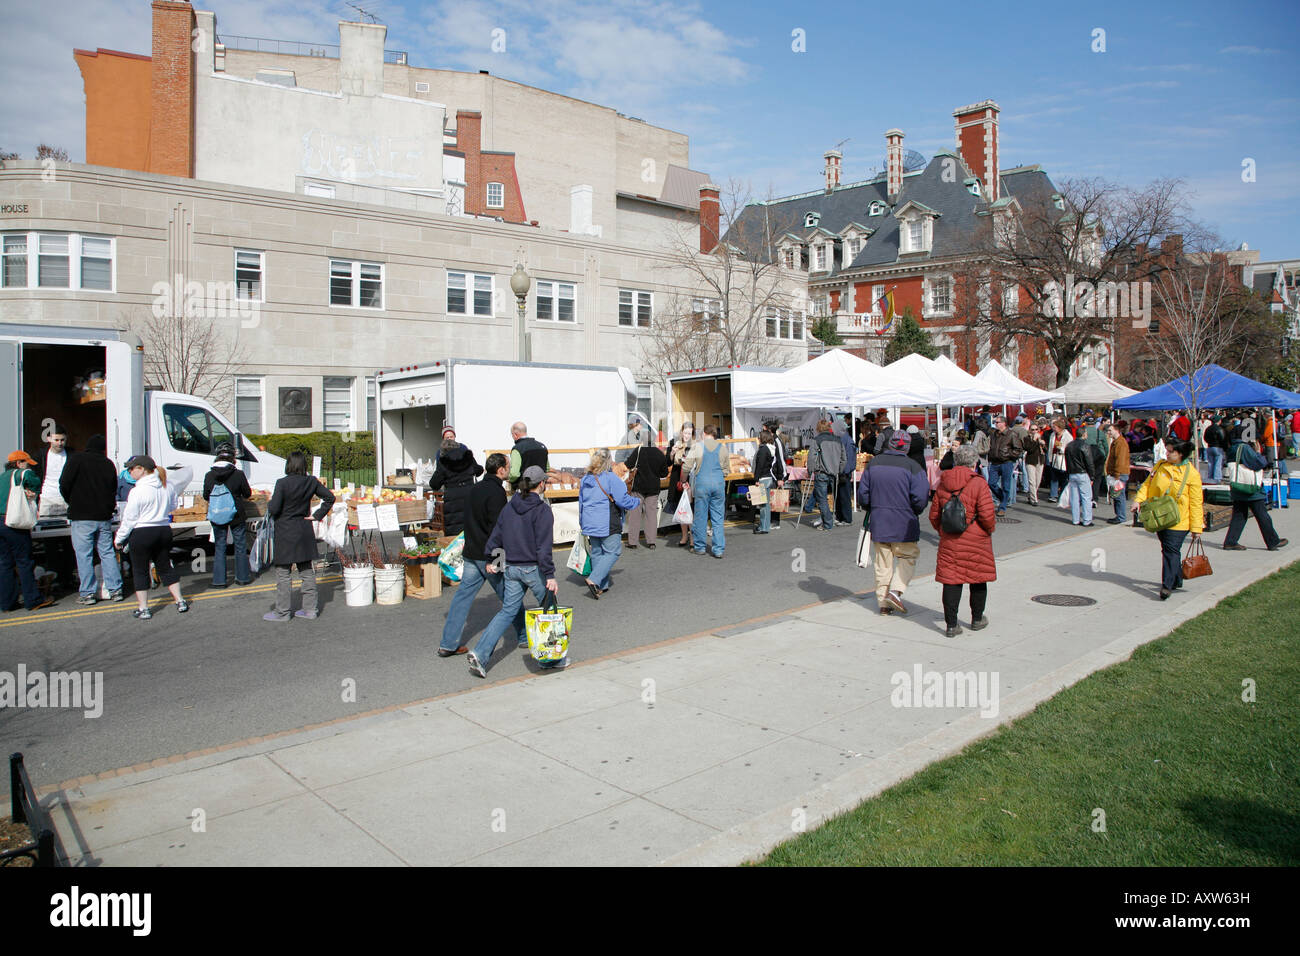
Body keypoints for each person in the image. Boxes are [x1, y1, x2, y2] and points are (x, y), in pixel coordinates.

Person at [467, 466, 560, 678]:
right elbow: (543, 547)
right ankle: (550, 657)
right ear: (541, 484)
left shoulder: (510, 507)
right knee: (550, 609)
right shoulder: (542, 510)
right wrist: (550, 575)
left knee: (507, 611)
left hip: (510, 568)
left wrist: (491, 558)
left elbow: (497, 534)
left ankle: (480, 653)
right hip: (532, 568)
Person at [438, 453, 511, 657]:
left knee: (462, 597)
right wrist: (495, 559)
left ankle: (448, 643)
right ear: (501, 470)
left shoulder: (475, 488)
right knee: (510, 597)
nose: (510, 469)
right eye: (508, 466)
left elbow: (469, 520)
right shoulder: (497, 493)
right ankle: (525, 635)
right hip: (488, 554)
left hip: (471, 551)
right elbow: (498, 529)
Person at [858, 430, 930, 615]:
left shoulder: (874, 463)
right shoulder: (913, 467)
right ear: (906, 447)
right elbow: (921, 498)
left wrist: (873, 508)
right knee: (907, 557)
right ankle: (895, 591)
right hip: (904, 523)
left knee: (883, 563)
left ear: (889, 444)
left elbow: (863, 495)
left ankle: (883, 603)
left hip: (880, 521)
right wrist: (914, 510)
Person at [929, 444, 997, 637]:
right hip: (977, 538)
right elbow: (987, 514)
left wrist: (943, 530)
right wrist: (988, 530)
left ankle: (951, 624)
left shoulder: (943, 482)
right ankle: (977, 618)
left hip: (950, 539)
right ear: (974, 463)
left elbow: (934, 515)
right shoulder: (979, 483)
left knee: (951, 581)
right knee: (978, 579)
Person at [113, 456, 189, 620]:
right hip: (163, 530)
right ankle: (180, 601)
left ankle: (144, 608)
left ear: (141, 469)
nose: (129, 472)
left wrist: (119, 538)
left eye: (131, 468)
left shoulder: (137, 491)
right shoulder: (166, 485)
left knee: (140, 570)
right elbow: (173, 506)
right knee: (165, 566)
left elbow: (130, 518)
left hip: (142, 532)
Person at [263, 451, 335, 621]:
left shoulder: (282, 483)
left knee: (283, 573)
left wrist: (269, 500)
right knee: (306, 570)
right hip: (303, 528)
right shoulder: (311, 481)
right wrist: (317, 515)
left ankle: (282, 612)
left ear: (288, 465)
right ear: (304, 466)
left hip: (285, 530)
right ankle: (310, 610)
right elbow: (330, 498)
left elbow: (273, 509)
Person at [1133, 440, 1204, 600]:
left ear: (1181, 454)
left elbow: (1196, 502)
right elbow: (1147, 485)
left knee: (1170, 551)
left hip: (1179, 520)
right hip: (1159, 517)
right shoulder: (1160, 465)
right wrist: (1138, 500)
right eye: (1167, 450)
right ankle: (1177, 578)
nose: (1167, 453)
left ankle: (1167, 585)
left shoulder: (1191, 474)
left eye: (1171, 451)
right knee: (1168, 549)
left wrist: (1196, 528)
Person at [59, 433, 124, 604]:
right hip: (103, 516)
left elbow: (64, 484)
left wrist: (71, 501)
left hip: (81, 516)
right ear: (103, 449)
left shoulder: (76, 459)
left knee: (84, 555)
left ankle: (88, 593)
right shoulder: (108, 464)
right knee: (107, 552)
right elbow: (113, 489)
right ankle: (116, 590)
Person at [579, 447, 639, 596]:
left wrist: (581, 521)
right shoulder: (611, 478)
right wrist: (636, 502)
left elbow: (581, 502)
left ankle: (601, 585)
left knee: (597, 552)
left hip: (589, 520)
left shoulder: (586, 478)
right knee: (613, 552)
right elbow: (622, 499)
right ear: (609, 461)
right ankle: (594, 579)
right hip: (607, 520)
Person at [1, 451, 54, 612]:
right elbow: (36, 484)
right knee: (24, 561)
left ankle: (7, 603)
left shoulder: (2, 477)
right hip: (14, 522)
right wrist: (32, 492)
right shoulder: (22, 473)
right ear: (18, 463)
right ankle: (33, 599)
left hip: (0, 523)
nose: (28, 466)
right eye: (26, 463)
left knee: (5, 563)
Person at [1222, 435, 1287, 552]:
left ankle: (1230, 541)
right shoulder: (1244, 448)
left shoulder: (1232, 448)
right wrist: (1257, 452)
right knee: (1262, 515)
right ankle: (1272, 541)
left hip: (1239, 487)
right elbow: (1258, 463)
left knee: (1239, 515)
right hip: (1250, 489)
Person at [202, 443, 253, 589]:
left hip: (217, 514)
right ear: (233, 459)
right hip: (236, 513)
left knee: (220, 546)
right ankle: (242, 578)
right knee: (240, 546)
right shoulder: (238, 474)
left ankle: (219, 581)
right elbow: (247, 493)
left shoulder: (209, 475)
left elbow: (206, 496)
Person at [687, 424, 731, 557]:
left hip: (702, 485)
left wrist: (683, 480)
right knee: (717, 518)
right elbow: (726, 470)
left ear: (705, 434)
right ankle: (718, 550)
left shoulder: (698, 446)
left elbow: (687, 466)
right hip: (718, 484)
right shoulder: (723, 448)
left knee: (701, 517)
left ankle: (699, 547)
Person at [428, 437, 483, 537]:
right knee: (472, 527)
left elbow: (434, 484)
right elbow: (479, 470)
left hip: (453, 499)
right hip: (470, 493)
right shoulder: (468, 458)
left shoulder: (443, 462)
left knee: (455, 532)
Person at [623, 440, 669, 548]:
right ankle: (651, 542)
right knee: (651, 515)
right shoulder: (659, 453)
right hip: (653, 488)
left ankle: (633, 542)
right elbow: (664, 473)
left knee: (635, 515)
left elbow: (628, 465)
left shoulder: (639, 451)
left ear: (643, 440)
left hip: (638, 487)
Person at [806, 420, 844, 530]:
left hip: (821, 472)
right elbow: (843, 458)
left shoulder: (817, 440)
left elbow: (811, 458)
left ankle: (827, 523)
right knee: (833, 498)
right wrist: (839, 469)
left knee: (822, 499)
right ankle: (829, 520)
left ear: (818, 428)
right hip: (834, 472)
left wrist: (810, 471)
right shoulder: (838, 440)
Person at [665, 421, 696, 547]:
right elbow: (667, 462)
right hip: (677, 479)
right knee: (682, 508)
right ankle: (684, 536)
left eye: (689, 433)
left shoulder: (695, 445)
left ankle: (693, 537)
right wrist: (672, 453)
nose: (687, 435)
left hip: (690, 479)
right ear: (681, 432)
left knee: (691, 509)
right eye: (685, 432)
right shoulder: (674, 442)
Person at [752, 427, 786, 534]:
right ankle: (765, 526)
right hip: (769, 478)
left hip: (762, 478)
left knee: (762, 505)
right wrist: (780, 477)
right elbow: (779, 463)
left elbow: (759, 466)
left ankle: (763, 527)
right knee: (766, 504)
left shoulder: (763, 450)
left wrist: (756, 479)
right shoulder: (772, 449)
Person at [987, 415, 1022, 516]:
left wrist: (1008, 455)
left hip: (1006, 462)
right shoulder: (994, 434)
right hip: (994, 462)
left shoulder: (1011, 434)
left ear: (1003, 423)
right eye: (995, 422)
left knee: (1006, 485)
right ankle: (1003, 498)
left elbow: (1018, 449)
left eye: (997, 422)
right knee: (991, 483)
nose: (995, 424)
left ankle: (1002, 507)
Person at [1064, 422, 1098, 526]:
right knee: (1086, 497)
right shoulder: (1085, 445)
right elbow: (1089, 462)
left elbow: (1067, 461)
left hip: (1072, 473)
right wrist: (1092, 476)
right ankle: (1087, 520)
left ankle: (1075, 519)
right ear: (1084, 435)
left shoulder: (1069, 446)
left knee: (1074, 498)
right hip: (1082, 473)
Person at [1104, 422, 1131, 525]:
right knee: (1117, 496)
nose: (1108, 432)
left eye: (1110, 430)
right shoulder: (1116, 442)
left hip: (1120, 473)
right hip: (1117, 473)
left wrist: (1117, 474)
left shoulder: (1121, 443)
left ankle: (1121, 517)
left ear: (1117, 430)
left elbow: (1120, 460)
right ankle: (1119, 515)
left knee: (1119, 496)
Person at [833, 417, 856, 524]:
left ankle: (847, 519)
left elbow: (850, 459)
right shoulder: (840, 439)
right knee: (838, 496)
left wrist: (844, 472)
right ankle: (839, 517)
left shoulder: (847, 441)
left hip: (844, 474)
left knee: (844, 496)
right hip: (839, 472)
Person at [1022, 422, 1044, 506]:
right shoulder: (1026, 438)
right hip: (1030, 461)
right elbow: (1029, 448)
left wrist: (1043, 444)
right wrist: (1034, 440)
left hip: (1040, 460)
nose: (1034, 431)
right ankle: (1034, 500)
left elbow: (1045, 449)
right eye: (1032, 429)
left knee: (1038, 480)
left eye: (1036, 429)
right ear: (1029, 430)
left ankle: (1031, 495)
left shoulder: (1041, 437)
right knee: (1032, 481)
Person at [1204, 415, 1229, 484]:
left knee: (1210, 463)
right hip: (1218, 447)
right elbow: (1222, 438)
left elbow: (1205, 438)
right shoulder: (1219, 429)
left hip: (1210, 446)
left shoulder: (1208, 428)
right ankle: (1217, 478)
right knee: (1218, 463)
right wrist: (1225, 447)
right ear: (1219, 421)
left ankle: (1210, 478)